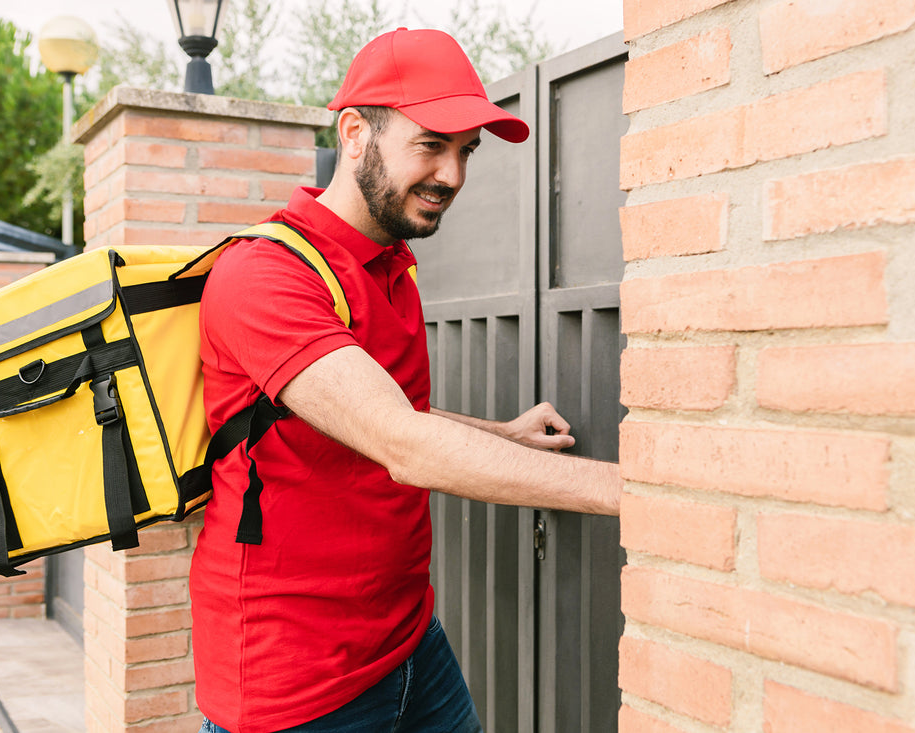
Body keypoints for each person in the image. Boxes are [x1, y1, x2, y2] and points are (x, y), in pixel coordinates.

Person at [190, 27, 621, 733]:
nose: (452, 175)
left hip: (409, 640)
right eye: (431, 144)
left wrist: (500, 434)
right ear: (355, 133)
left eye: (466, 152)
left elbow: (393, 414)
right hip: (295, 686)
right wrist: (643, 493)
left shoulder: (391, 264)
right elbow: (403, 442)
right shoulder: (265, 277)